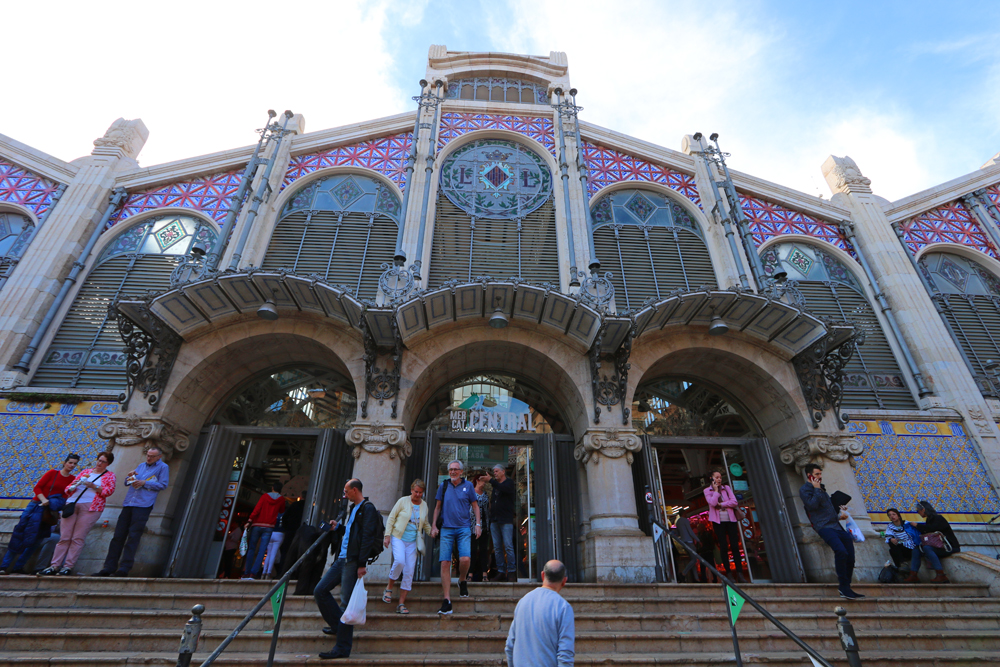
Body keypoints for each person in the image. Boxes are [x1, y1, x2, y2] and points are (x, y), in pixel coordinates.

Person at [314, 479, 380, 660]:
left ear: (355, 490)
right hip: (342, 558)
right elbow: (353, 534)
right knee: (320, 590)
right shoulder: (354, 508)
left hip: (352, 561)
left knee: (345, 602)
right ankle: (338, 626)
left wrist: (361, 564)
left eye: (347, 491)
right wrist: (339, 528)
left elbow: (366, 537)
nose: (345, 494)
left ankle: (342, 647)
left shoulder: (368, 508)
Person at [94, 446, 169, 577]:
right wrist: (130, 477)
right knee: (118, 536)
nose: (149, 457)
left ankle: (124, 568)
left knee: (133, 536)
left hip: (143, 505)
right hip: (129, 503)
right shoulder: (141, 466)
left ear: (159, 457)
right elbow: (127, 483)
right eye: (148, 455)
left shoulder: (163, 467)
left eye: (152, 456)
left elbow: (163, 484)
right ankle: (109, 567)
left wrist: (144, 482)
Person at [1, 453, 78, 575]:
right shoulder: (52, 473)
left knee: (37, 540)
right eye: (70, 462)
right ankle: (4, 566)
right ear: (64, 463)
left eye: (74, 464)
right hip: (36, 505)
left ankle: (18, 566)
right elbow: (38, 487)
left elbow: (65, 496)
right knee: (20, 534)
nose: (72, 465)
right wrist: (44, 500)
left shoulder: (72, 480)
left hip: (49, 512)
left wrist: (51, 503)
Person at [42, 451, 116, 576]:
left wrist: (93, 486)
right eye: (99, 460)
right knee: (64, 537)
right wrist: (72, 487)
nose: (99, 463)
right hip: (72, 504)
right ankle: (54, 565)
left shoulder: (110, 476)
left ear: (108, 464)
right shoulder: (85, 472)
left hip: (91, 507)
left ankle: (68, 566)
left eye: (103, 461)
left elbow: (108, 491)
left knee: (77, 538)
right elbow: (68, 488)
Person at [799, 463, 863, 600]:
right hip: (824, 527)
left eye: (820, 474)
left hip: (837, 526)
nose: (820, 477)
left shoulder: (822, 489)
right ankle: (843, 587)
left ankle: (846, 587)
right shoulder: (805, 490)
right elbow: (812, 505)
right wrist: (816, 489)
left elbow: (827, 509)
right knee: (841, 551)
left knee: (850, 557)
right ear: (809, 475)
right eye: (817, 474)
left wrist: (841, 513)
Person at [431, 460, 481, 615]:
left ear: (461, 471)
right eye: (450, 469)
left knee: (465, 559)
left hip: (463, 528)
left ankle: (462, 579)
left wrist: (478, 524)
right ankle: (447, 600)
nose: (452, 472)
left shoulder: (469, 486)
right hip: (446, 528)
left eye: (455, 469)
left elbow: (475, 506)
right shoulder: (443, 486)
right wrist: (433, 525)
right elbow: (437, 507)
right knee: (445, 562)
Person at [505, 559, 575, 667]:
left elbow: (510, 646)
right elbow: (565, 654)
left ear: (542, 575)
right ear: (564, 581)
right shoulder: (563, 607)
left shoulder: (523, 602)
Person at [381, 479, 431, 614]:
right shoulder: (403, 501)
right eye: (416, 492)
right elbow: (391, 517)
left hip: (413, 542)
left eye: (421, 492)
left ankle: (401, 603)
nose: (418, 494)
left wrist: (431, 531)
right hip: (398, 537)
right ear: (411, 490)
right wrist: (387, 536)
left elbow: (425, 523)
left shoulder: (424, 505)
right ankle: (389, 588)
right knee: (399, 561)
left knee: (409, 572)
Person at [703, 471, 748, 583]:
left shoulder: (727, 488)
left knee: (735, 546)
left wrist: (722, 504)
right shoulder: (707, 491)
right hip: (718, 522)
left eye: (720, 477)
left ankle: (740, 573)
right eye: (716, 477)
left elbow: (734, 502)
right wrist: (717, 491)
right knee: (723, 546)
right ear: (711, 479)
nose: (719, 479)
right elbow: (712, 503)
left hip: (731, 520)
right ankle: (728, 573)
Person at [242, 481, 287, 580]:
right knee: (262, 551)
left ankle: (246, 572)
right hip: (269, 527)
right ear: (280, 490)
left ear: (272, 488)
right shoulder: (281, 499)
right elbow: (282, 511)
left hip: (257, 525)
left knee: (251, 549)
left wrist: (249, 520)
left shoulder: (264, 496)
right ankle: (254, 573)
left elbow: (257, 509)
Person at [908, 500, 961, 583]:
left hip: (948, 547)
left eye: (918, 510)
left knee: (927, 548)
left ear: (923, 510)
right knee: (916, 549)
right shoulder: (929, 520)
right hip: (938, 546)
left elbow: (931, 529)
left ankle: (941, 575)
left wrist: (917, 525)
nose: (918, 512)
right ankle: (913, 575)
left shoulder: (938, 518)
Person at [490, 463, 517, 582]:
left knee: (508, 546)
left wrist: (490, 480)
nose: (495, 473)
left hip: (506, 520)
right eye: (494, 472)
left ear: (503, 471)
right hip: (494, 520)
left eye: (496, 471)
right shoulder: (495, 486)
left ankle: (511, 571)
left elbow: (505, 489)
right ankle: (501, 571)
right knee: (497, 547)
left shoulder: (509, 483)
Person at [469, 471, 491, 582]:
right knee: (472, 550)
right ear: (477, 480)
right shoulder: (471, 492)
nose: (484, 484)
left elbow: (488, 508)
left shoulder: (486, 494)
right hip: (472, 525)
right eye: (483, 481)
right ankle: (470, 573)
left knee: (483, 550)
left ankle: (484, 574)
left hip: (485, 525)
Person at [674, 514, 701, 583]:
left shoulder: (678, 522)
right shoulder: (685, 520)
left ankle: (696, 578)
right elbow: (690, 531)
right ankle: (683, 573)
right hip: (689, 541)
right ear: (684, 513)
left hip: (683, 542)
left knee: (692, 560)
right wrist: (698, 540)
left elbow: (677, 533)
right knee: (694, 560)